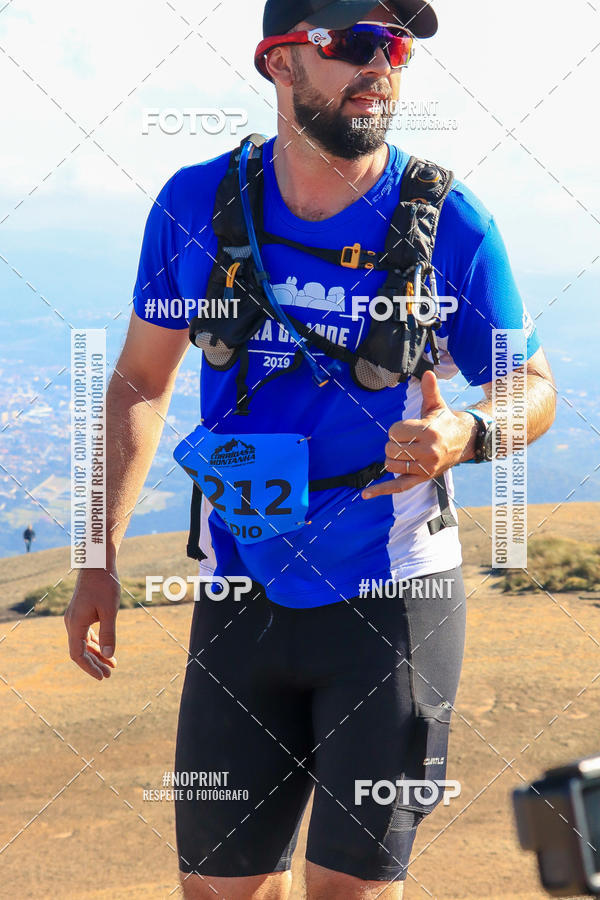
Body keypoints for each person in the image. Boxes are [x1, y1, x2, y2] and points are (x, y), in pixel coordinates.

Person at [64, 1, 557, 897]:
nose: (382, 66)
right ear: (280, 63)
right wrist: (96, 560)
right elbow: (139, 381)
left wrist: (469, 431)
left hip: (393, 596)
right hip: (240, 585)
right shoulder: (197, 205)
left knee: (351, 894)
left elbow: (535, 388)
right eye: (355, 44)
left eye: (397, 49)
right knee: (218, 891)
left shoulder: (451, 224)